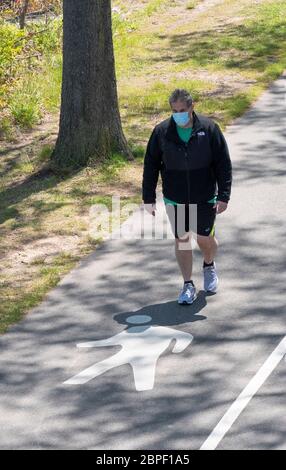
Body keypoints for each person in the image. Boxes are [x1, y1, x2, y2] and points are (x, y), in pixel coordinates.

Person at [142, 89, 232, 304]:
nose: (178, 114)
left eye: (182, 110)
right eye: (174, 111)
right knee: (182, 240)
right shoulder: (162, 132)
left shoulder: (209, 129)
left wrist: (224, 195)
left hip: (205, 196)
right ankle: (188, 285)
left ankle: (209, 264)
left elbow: (223, 164)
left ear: (192, 107)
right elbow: (151, 165)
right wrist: (148, 197)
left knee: (204, 239)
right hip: (175, 197)